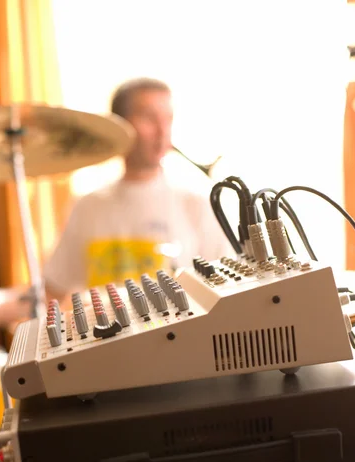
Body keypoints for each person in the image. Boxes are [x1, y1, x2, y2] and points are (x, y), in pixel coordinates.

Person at [43, 78, 231, 304]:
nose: (162, 131)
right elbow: (52, 289)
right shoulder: (87, 207)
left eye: (168, 119)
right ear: (120, 126)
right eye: (149, 118)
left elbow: (226, 287)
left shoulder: (194, 203)